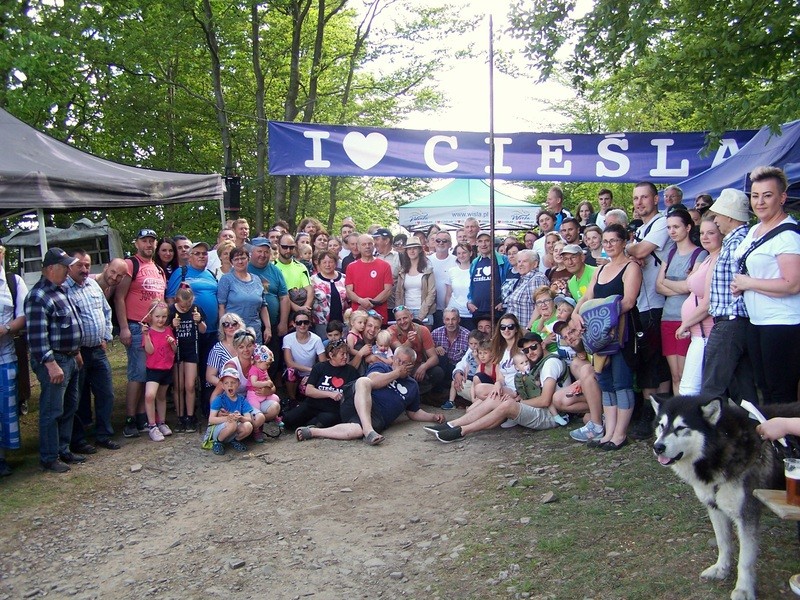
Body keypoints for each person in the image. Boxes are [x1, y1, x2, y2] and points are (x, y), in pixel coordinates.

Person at [731, 166, 800, 404]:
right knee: (764, 388)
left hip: (781, 323)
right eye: (755, 195)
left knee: (780, 392)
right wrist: (743, 284)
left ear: (782, 198)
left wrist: (749, 282)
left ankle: (785, 429)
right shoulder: (755, 230)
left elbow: (792, 284)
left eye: (767, 195)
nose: (759, 202)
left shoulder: (787, 236)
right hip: (757, 320)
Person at [573, 224, 642, 451]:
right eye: (606, 241)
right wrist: (576, 314)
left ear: (624, 242)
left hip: (621, 331)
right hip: (599, 335)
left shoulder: (631, 267)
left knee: (621, 381)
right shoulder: (600, 270)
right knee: (605, 382)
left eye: (614, 240)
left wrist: (601, 316)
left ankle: (620, 433)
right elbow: (587, 297)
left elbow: (628, 301)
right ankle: (609, 431)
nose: (609, 245)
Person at [428, 332, 569, 443]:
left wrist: (518, 401)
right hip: (538, 409)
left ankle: (462, 431)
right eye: (526, 350)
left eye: (533, 347)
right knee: (495, 397)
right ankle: (453, 424)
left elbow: (545, 400)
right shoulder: (536, 362)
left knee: (507, 404)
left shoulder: (550, 364)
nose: (530, 352)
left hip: (551, 415)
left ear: (542, 345)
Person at [294, 346, 445, 444]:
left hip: (377, 417)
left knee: (356, 431)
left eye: (405, 363)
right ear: (393, 358)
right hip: (356, 400)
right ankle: (368, 431)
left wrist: (433, 417)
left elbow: (413, 412)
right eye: (398, 360)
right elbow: (372, 381)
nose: (399, 364)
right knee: (363, 381)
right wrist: (397, 373)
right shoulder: (382, 366)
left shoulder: (412, 385)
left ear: (412, 365)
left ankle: (313, 431)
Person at [25, 248, 84, 472]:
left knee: (70, 406)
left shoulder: (61, 290)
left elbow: (69, 324)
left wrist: (76, 351)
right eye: (64, 266)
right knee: (52, 410)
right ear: (51, 268)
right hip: (55, 361)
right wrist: (50, 364)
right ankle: (49, 457)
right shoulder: (38, 296)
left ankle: (63, 449)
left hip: (70, 357)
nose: (68, 270)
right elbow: (37, 337)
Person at [625, 181, 672, 438]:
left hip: (657, 302)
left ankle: (654, 415)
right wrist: (633, 251)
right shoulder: (643, 229)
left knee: (655, 362)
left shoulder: (662, 223)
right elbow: (634, 254)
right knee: (647, 361)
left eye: (644, 197)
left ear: (656, 199)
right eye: (636, 198)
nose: (639, 202)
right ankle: (653, 414)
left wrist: (631, 248)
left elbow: (640, 250)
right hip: (642, 303)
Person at [701, 189, 757, 402]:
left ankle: (710, 426)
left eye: (718, 215)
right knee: (743, 390)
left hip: (729, 322)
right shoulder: (739, 240)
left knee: (711, 389)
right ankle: (754, 422)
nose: (715, 220)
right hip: (736, 324)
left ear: (730, 217)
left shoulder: (736, 244)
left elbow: (742, 280)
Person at [65, 250, 119, 455]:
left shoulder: (93, 286)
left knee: (106, 393)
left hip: (98, 350)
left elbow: (106, 311)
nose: (84, 269)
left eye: (87, 265)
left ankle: (103, 434)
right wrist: (74, 348)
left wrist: (106, 336)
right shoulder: (64, 289)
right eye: (79, 265)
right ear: (70, 266)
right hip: (78, 352)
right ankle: (78, 440)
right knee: (77, 397)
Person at [115, 228, 167, 438]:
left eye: (151, 241)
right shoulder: (131, 265)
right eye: (144, 241)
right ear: (137, 243)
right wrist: (124, 327)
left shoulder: (159, 269)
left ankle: (142, 416)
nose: (148, 244)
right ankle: (129, 419)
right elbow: (119, 297)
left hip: (156, 329)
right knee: (137, 374)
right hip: (137, 326)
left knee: (149, 374)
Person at [656, 209, 707, 394]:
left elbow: (691, 287)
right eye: (669, 227)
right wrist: (682, 285)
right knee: (675, 375)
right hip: (667, 318)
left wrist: (669, 283)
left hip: (688, 319)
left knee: (687, 375)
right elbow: (658, 286)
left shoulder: (699, 254)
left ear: (688, 227)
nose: (672, 231)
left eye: (676, 227)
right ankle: (679, 406)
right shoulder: (669, 254)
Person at [676, 218, 722, 395]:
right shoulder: (708, 258)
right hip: (698, 335)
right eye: (702, 233)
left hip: (706, 335)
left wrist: (685, 324)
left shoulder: (718, 259)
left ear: (721, 234)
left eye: (711, 233)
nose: (705, 237)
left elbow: (708, 303)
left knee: (689, 390)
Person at [283, 339, 359, 431]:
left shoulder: (351, 371)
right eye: (342, 354)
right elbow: (309, 391)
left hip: (332, 409)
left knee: (323, 421)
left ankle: (311, 427)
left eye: (346, 354)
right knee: (288, 420)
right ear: (331, 355)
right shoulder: (319, 367)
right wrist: (330, 394)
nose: (345, 357)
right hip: (312, 404)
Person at [0, 245, 28, 475]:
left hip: (5, 357)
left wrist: (6, 329)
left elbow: (23, 315)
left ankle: (1, 458)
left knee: (5, 409)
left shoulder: (13, 282)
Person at [169, 285, 207, 433]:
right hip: (177, 351)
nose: (186, 308)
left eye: (188, 305)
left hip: (191, 350)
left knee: (190, 385)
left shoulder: (196, 309)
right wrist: (172, 326)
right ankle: (180, 416)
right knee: (178, 386)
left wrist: (199, 321)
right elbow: (164, 330)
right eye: (183, 306)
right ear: (177, 300)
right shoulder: (171, 311)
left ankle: (190, 416)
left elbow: (203, 330)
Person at [217, 247, 269, 344]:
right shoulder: (226, 279)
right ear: (231, 262)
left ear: (248, 259)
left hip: (254, 330)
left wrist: (268, 327)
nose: (240, 261)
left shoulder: (257, 279)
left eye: (243, 258)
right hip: (233, 330)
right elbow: (221, 306)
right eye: (236, 259)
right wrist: (223, 329)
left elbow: (263, 305)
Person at [388, 306, 445, 395]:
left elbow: (434, 358)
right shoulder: (392, 331)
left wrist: (424, 367)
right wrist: (409, 342)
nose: (402, 322)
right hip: (399, 367)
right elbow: (400, 352)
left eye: (405, 318)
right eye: (399, 320)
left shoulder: (422, 330)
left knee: (438, 372)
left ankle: (420, 394)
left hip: (417, 366)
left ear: (411, 316)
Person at [141, 300, 177, 442]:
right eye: (157, 316)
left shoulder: (168, 330)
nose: (160, 320)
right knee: (150, 395)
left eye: (163, 316)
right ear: (151, 316)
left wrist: (172, 343)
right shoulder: (148, 332)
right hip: (153, 369)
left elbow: (175, 350)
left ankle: (161, 422)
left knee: (161, 396)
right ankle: (152, 425)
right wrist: (146, 336)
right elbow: (149, 351)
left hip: (166, 368)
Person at [470, 314, 524, 406]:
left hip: (515, 391)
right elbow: (500, 377)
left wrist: (520, 394)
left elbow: (527, 374)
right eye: (503, 327)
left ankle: (499, 405)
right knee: (470, 410)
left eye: (510, 327)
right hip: (503, 388)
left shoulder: (522, 349)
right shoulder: (500, 349)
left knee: (480, 390)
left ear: (516, 329)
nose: (506, 330)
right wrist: (498, 383)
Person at [207, 367, 259, 455]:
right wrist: (228, 418)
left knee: (248, 426)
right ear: (222, 386)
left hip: (233, 429)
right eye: (226, 383)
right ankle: (218, 442)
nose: (230, 385)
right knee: (232, 423)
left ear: (238, 384)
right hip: (220, 430)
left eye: (233, 382)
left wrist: (241, 418)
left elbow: (249, 419)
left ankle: (235, 441)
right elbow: (211, 419)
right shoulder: (219, 399)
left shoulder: (241, 400)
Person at [345, 234, 393, 323]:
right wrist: (361, 301)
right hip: (358, 316)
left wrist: (371, 303)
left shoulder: (385, 266)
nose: (367, 246)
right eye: (364, 244)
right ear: (358, 247)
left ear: (374, 246)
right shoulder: (351, 267)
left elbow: (388, 290)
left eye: (370, 244)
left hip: (379, 316)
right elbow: (349, 291)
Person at [282, 309, 326, 403]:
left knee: (306, 393)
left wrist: (312, 374)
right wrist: (310, 370)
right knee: (290, 372)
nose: (302, 325)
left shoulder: (316, 339)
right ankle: (292, 400)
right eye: (299, 323)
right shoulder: (288, 338)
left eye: (305, 322)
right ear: (294, 324)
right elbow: (289, 363)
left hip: (310, 375)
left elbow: (323, 363)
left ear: (309, 323)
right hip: (297, 372)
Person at [431, 308, 470, 408]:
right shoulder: (435, 333)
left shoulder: (467, 335)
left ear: (459, 320)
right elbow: (427, 353)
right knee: (441, 356)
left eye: (453, 319)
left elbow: (469, 359)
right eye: (447, 319)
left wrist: (460, 371)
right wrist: (435, 349)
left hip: (459, 369)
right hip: (442, 369)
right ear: (443, 320)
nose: (450, 323)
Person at [204, 313, 246, 405]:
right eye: (226, 324)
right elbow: (210, 377)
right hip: (222, 390)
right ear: (222, 328)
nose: (230, 327)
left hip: (244, 389)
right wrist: (230, 386)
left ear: (240, 325)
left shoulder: (246, 346)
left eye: (234, 323)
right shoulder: (217, 349)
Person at [501, 249, 548, 331]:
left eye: (525, 261)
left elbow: (539, 307)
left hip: (527, 331)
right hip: (517, 330)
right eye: (519, 261)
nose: (520, 264)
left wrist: (528, 329)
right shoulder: (523, 279)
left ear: (535, 264)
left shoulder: (536, 279)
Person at [467, 231, 509, 321]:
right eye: (480, 241)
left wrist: (504, 302)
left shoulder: (503, 260)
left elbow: (510, 282)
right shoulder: (475, 262)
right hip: (477, 310)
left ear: (492, 242)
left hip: (497, 311)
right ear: (477, 243)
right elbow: (472, 285)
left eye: (487, 241)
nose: (483, 244)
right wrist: (469, 301)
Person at [394, 236, 436, 326]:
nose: (412, 251)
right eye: (409, 249)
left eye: (415, 248)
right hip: (406, 312)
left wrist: (421, 315)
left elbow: (431, 293)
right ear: (406, 251)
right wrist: (400, 311)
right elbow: (398, 292)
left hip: (424, 311)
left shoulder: (428, 269)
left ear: (420, 250)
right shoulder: (402, 270)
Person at [310, 249, 347, 339]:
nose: (327, 265)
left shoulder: (344, 278)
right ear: (319, 264)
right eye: (324, 262)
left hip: (342, 322)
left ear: (335, 263)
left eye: (330, 262)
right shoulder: (313, 280)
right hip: (322, 323)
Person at [245, 345, 280, 441]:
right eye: (267, 364)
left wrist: (269, 384)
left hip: (263, 394)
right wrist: (266, 383)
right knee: (256, 410)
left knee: (276, 398)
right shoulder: (254, 370)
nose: (268, 366)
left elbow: (270, 382)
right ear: (259, 361)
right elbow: (254, 383)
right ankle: (256, 430)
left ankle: (275, 417)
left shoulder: (264, 370)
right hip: (254, 394)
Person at [448, 329, 485, 408]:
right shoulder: (470, 352)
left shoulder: (482, 353)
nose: (473, 346)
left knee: (473, 389)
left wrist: (476, 357)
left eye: (476, 343)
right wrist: (464, 374)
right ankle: (451, 402)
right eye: (471, 344)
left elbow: (482, 366)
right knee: (454, 382)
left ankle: (475, 403)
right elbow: (466, 364)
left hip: (477, 378)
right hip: (468, 375)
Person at [428, 231, 457, 329]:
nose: (441, 243)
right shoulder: (427, 260)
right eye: (438, 240)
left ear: (450, 244)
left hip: (450, 310)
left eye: (444, 241)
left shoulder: (456, 260)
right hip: (431, 309)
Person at [444, 242, 474, 330]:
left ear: (470, 253)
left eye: (464, 252)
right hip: (455, 314)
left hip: (470, 313)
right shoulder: (451, 271)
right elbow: (448, 294)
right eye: (459, 253)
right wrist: (447, 311)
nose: (461, 255)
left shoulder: (476, 270)